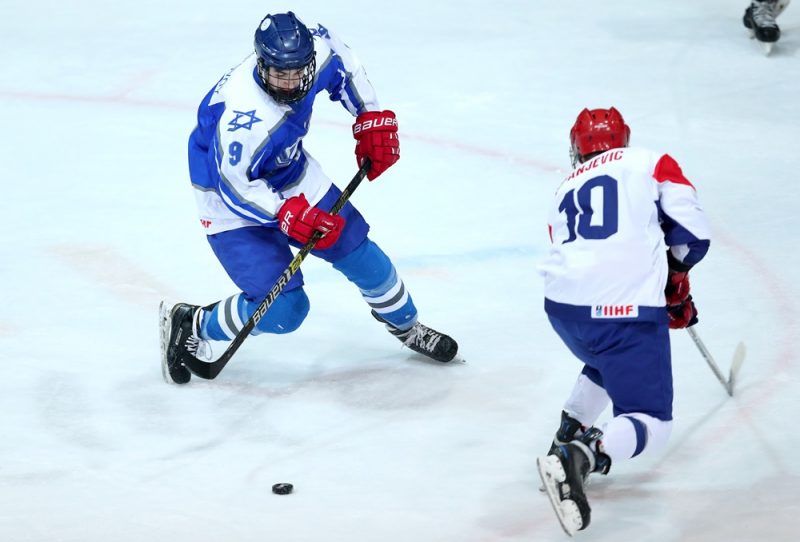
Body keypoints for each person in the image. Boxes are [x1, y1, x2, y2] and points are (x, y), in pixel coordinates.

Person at [159, 12, 459, 385]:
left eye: (298, 72)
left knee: (362, 255)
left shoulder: (310, 52)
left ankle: (408, 327)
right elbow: (232, 186)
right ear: (262, 64)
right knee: (286, 310)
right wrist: (286, 213)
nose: (291, 83)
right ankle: (195, 322)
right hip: (230, 202)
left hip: (289, 173)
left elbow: (344, 62)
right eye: (279, 75)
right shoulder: (242, 117)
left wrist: (369, 115)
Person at [535, 108, 711, 535]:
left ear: (577, 148)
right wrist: (675, 281)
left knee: (605, 359)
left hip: (562, 310)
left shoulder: (565, 187)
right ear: (625, 139)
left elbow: (578, 250)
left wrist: (663, 286)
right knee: (652, 420)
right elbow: (692, 236)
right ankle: (579, 456)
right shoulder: (652, 163)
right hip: (624, 313)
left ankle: (566, 433)